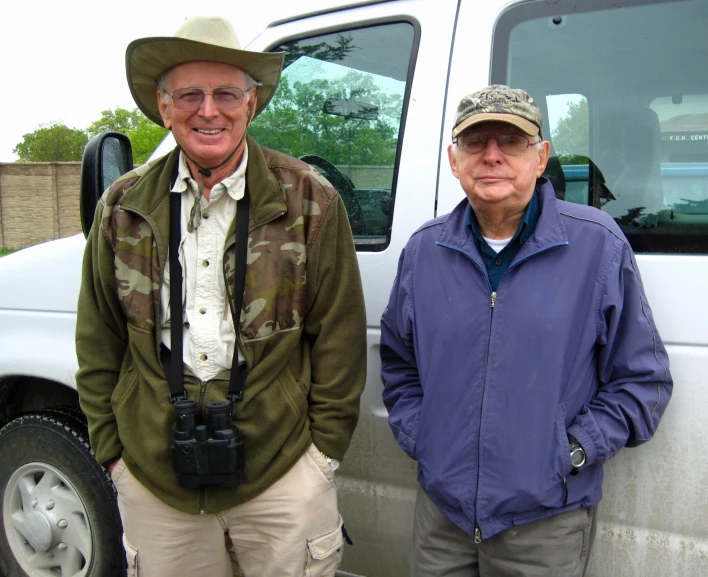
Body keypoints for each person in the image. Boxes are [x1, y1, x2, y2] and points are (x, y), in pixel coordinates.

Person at [75, 16, 366, 577]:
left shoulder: (310, 200)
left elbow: (340, 338)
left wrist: (321, 458)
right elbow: (98, 338)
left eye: (226, 93)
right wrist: (113, 456)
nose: (208, 110)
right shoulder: (121, 207)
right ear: (164, 108)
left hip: (283, 479)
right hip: (154, 484)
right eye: (189, 94)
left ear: (250, 102)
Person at [379, 85, 672, 577]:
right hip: (441, 519)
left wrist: (570, 452)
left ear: (541, 158)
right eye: (475, 143)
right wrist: (425, 438)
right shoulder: (424, 252)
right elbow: (398, 366)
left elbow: (642, 381)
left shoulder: (597, 246)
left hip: (545, 521)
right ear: (454, 160)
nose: (491, 156)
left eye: (511, 142)